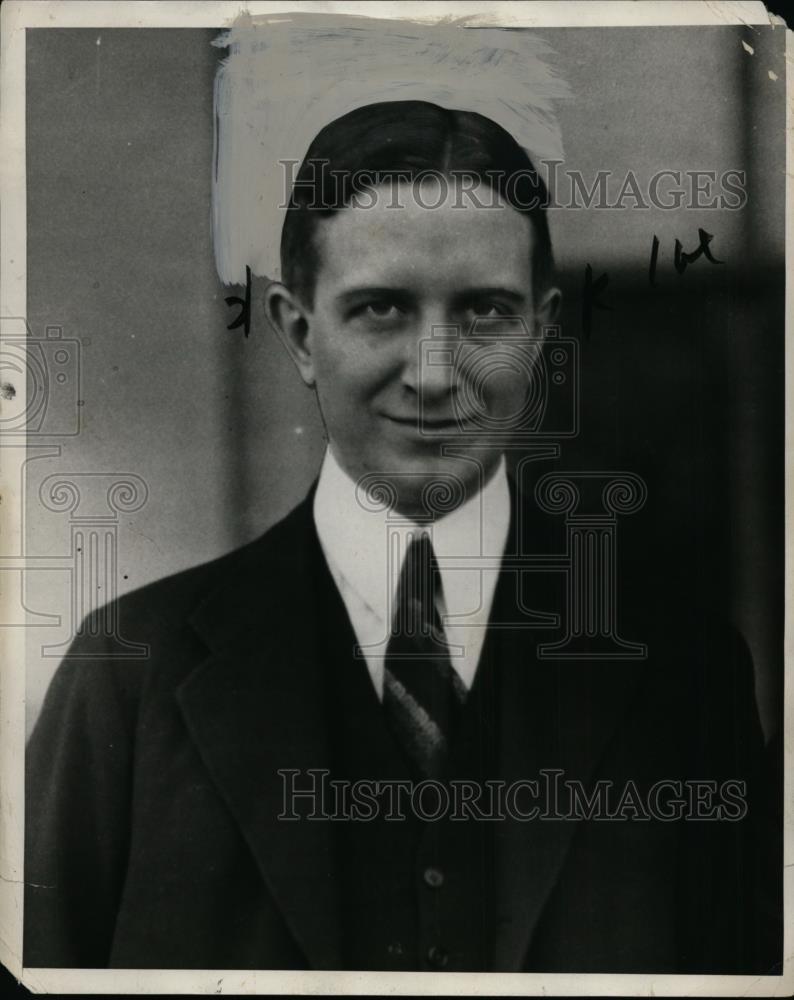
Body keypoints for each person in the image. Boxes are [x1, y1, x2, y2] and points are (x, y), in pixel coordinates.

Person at [24, 101, 778, 973]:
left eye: (487, 313)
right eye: (381, 308)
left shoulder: (685, 670)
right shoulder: (130, 678)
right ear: (299, 333)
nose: (433, 372)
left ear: (541, 330)